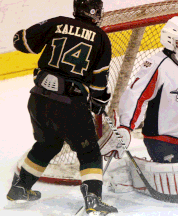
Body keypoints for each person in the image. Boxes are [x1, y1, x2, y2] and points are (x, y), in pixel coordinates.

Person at [6, 0, 118, 215]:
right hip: (70, 105)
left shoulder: (57, 23)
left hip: (38, 100)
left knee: (47, 144)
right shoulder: (101, 37)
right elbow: (99, 80)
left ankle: (20, 188)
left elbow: (22, 42)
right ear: (97, 12)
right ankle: (93, 200)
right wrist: (99, 101)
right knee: (89, 151)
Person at [101, 16, 178, 197]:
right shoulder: (156, 65)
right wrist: (126, 127)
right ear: (170, 42)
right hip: (164, 139)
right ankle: (124, 172)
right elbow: (136, 96)